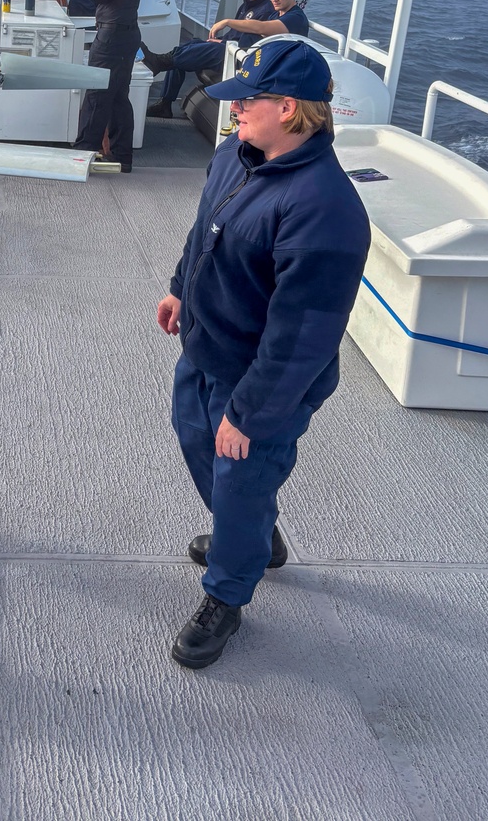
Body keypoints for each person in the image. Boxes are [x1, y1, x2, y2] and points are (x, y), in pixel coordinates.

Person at [157, 38, 370, 669]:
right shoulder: (235, 153)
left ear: (289, 108)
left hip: (263, 382)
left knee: (241, 479)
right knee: (194, 439)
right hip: (206, 345)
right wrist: (177, 288)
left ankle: (228, 591)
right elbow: (205, 231)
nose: (234, 108)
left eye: (248, 99)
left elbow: (302, 336)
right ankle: (252, 538)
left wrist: (248, 413)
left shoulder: (325, 210)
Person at [144, 0, 275, 120]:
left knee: (189, 53)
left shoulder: (265, 9)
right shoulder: (248, 5)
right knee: (189, 45)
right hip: (227, 45)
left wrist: (223, 40)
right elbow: (235, 35)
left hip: (238, 55)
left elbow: (248, 41)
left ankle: (159, 62)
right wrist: (219, 40)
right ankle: (164, 102)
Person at [73, 0, 147, 172]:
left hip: (113, 36)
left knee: (97, 95)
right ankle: (120, 156)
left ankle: (82, 156)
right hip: (121, 33)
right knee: (116, 98)